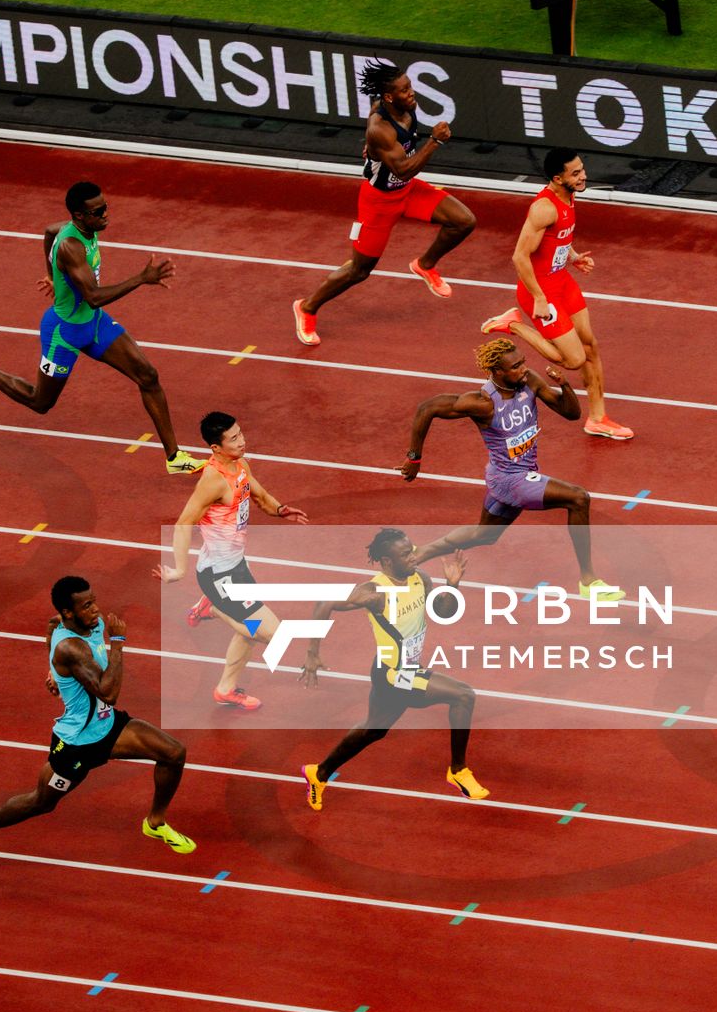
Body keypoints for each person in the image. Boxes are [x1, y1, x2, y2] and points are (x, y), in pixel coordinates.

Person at [0, 180, 205, 475]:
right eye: (98, 211)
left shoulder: (76, 228)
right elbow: (93, 297)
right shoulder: (71, 246)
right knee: (40, 402)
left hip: (93, 324)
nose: (106, 214)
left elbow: (48, 231)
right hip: (63, 333)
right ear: (79, 215)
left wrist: (51, 275)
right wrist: (141, 279)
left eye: (106, 207)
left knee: (148, 376)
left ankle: (174, 457)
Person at [0, 574, 195, 857]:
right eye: (86, 605)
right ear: (69, 612)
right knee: (41, 802)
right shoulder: (70, 648)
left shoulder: (81, 623)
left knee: (173, 753)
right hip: (77, 743)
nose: (95, 610)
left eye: (94, 602)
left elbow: (50, 624)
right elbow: (108, 693)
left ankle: (154, 822)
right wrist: (117, 642)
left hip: (108, 727)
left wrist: (53, 672)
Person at [399, 337, 622, 598]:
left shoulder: (529, 382)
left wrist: (564, 385)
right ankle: (588, 581)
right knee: (578, 498)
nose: (523, 369)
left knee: (484, 534)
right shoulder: (482, 403)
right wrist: (414, 458)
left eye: (523, 362)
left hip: (509, 476)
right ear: (497, 372)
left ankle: (420, 552)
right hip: (510, 479)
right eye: (515, 366)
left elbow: (571, 414)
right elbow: (427, 408)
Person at [292, 61, 475, 345]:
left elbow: (404, 169)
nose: (412, 94)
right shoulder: (379, 128)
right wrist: (434, 142)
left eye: (410, 86)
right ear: (389, 97)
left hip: (408, 191)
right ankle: (307, 308)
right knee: (359, 270)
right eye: (405, 90)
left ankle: (425, 265)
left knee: (464, 221)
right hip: (379, 202)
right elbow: (403, 169)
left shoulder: (405, 108)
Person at [300, 529, 486, 808]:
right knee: (463, 695)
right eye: (405, 554)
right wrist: (312, 653)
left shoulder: (419, 578)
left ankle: (319, 772)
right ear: (387, 561)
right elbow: (323, 604)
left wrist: (452, 585)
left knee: (374, 730)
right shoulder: (375, 592)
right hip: (393, 675)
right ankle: (458, 771)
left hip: (400, 669)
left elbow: (443, 612)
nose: (413, 557)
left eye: (412, 550)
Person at [154, 410, 308, 711]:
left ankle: (225, 689)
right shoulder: (212, 481)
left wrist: (280, 509)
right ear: (215, 448)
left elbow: (259, 495)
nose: (242, 441)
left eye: (241, 433)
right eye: (234, 438)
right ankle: (210, 608)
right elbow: (183, 523)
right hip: (218, 576)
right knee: (273, 633)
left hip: (238, 566)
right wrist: (180, 570)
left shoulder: (240, 464)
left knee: (248, 631)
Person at [482, 147, 632, 440]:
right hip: (540, 291)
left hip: (562, 281)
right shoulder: (544, 208)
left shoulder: (569, 195)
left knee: (590, 347)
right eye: (575, 173)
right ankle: (512, 324)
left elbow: (556, 238)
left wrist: (573, 256)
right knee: (574, 360)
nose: (583, 176)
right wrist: (538, 297)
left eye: (582, 169)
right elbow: (520, 257)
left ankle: (598, 418)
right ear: (556, 178)